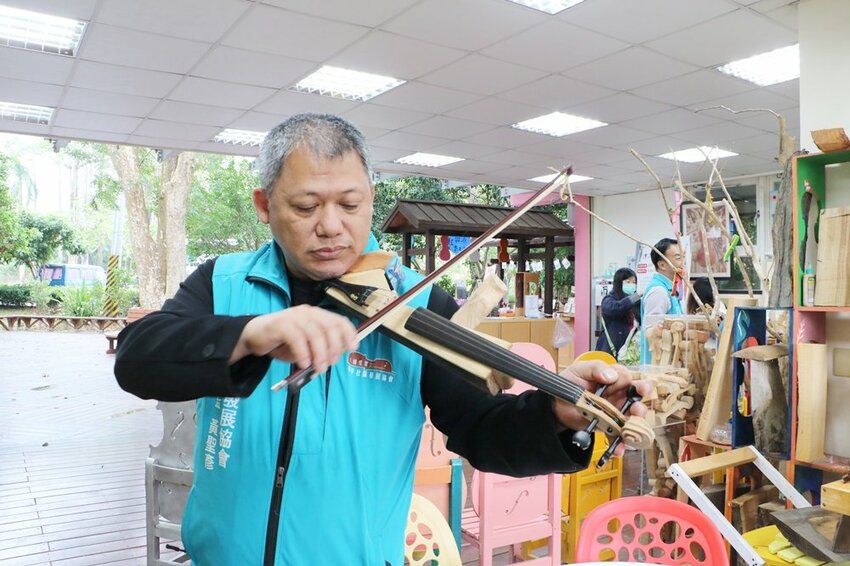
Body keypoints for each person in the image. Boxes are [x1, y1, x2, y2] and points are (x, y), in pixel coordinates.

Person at [113, 113, 647, 566]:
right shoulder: (221, 282)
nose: (331, 227)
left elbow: (482, 427)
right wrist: (251, 334)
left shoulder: (417, 303)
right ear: (263, 204)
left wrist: (557, 414)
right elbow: (138, 358)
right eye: (306, 207)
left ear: (370, 198)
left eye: (350, 204)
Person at [640, 238, 685, 364]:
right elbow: (652, 333)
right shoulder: (658, 291)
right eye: (678, 258)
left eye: (683, 257)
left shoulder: (670, 289)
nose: (683, 263)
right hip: (658, 366)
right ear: (662, 265)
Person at [595, 267, 642, 359]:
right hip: (610, 350)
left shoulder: (636, 302)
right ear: (619, 283)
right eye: (628, 282)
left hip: (628, 352)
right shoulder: (609, 299)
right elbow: (615, 308)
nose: (632, 285)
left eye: (634, 283)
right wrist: (634, 297)